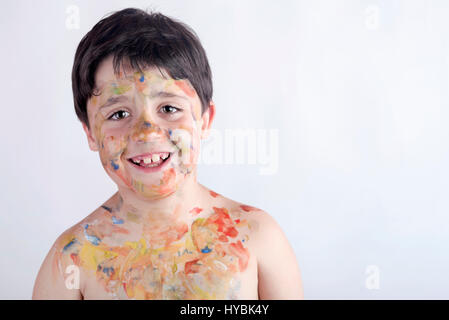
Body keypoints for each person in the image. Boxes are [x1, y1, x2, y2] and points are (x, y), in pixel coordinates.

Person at [32, 8, 303, 300]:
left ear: (205, 120)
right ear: (90, 133)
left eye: (169, 109)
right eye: (119, 113)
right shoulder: (71, 261)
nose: (146, 132)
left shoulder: (257, 238)